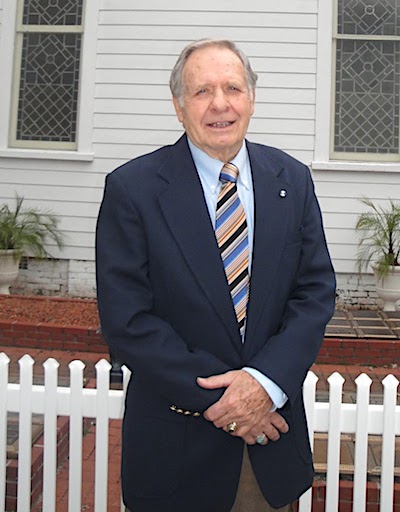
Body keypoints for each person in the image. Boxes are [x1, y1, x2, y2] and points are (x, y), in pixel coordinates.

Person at [95, 39, 336, 512]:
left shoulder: (292, 179)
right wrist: (230, 401)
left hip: (269, 444)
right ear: (178, 106)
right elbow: (127, 321)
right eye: (202, 91)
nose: (220, 104)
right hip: (176, 451)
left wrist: (264, 384)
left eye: (233, 88)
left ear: (251, 98)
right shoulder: (133, 190)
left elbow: (314, 294)